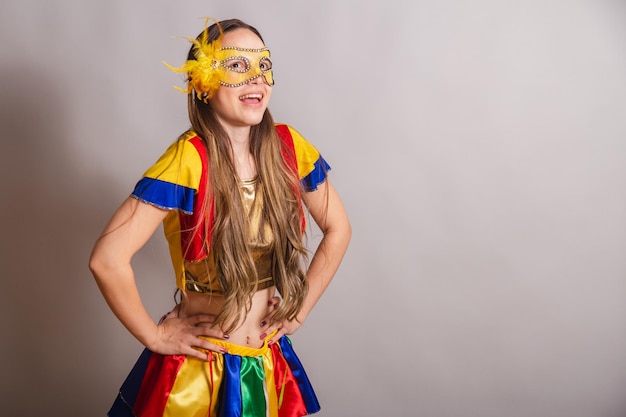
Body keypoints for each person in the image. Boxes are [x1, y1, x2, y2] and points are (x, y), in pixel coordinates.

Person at [89, 17, 351, 417]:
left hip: (265, 365)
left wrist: (298, 312)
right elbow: (107, 259)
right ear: (204, 84)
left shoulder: (289, 148)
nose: (257, 79)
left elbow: (339, 229)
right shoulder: (187, 159)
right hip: (200, 375)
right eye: (237, 67)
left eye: (263, 66)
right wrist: (155, 335)